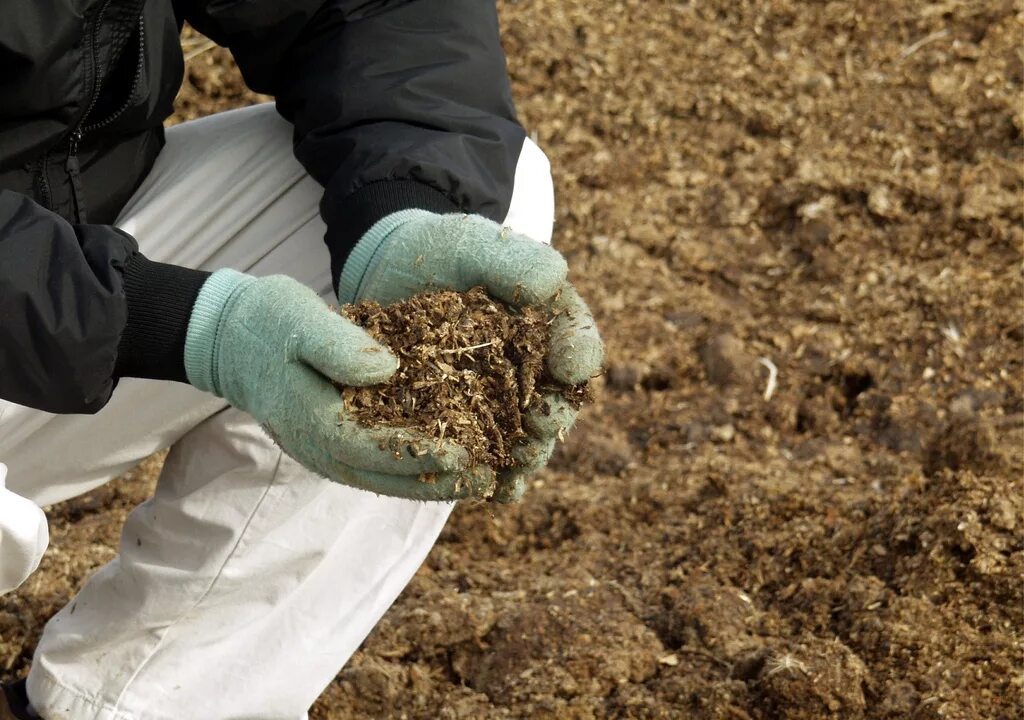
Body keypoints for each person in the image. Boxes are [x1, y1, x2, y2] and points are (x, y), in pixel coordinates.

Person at [0, 1, 603, 718]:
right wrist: (186, 322)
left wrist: (400, 214)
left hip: (60, 259)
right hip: (42, 300)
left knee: (479, 215)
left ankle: (133, 705)